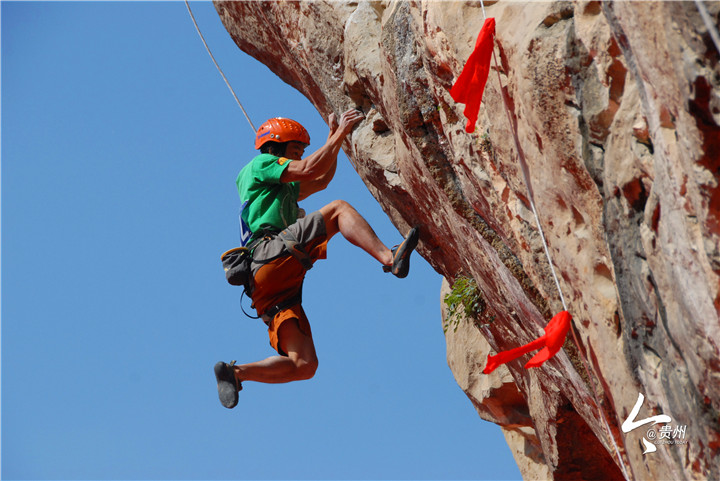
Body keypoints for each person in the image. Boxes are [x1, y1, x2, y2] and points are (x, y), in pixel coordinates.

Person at [214, 108, 419, 409]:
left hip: (267, 286)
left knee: (304, 365)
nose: (296, 158)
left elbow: (320, 179)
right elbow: (309, 169)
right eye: (293, 151)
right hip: (269, 256)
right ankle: (390, 258)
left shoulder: (277, 188)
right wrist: (338, 135)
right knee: (337, 210)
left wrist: (333, 138)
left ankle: (236, 374)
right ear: (275, 147)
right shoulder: (261, 164)